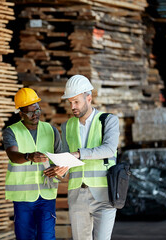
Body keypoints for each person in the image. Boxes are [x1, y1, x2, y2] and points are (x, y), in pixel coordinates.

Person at [52, 75, 119, 240]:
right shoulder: (67, 126)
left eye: (76, 102)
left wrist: (79, 153)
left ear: (89, 98)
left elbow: (109, 149)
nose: (73, 106)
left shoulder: (108, 121)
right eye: (70, 102)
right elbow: (67, 157)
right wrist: (61, 168)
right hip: (77, 196)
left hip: (104, 195)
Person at [3, 87, 68, 240]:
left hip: (47, 196)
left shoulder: (51, 130)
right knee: (25, 237)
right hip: (23, 198)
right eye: (30, 112)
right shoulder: (11, 132)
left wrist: (59, 170)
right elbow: (13, 155)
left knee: (47, 237)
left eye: (37, 110)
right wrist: (28, 156)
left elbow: (60, 160)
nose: (35, 115)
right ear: (21, 114)